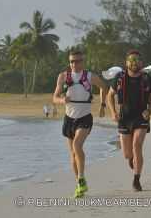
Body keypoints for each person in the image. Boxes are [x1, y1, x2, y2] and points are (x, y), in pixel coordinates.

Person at [52, 50, 108, 198]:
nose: (74, 64)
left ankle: (82, 177)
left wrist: (103, 105)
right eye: (71, 61)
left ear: (82, 62)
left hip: (85, 117)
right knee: (72, 153)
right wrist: (62, 100)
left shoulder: (89, 76)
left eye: (77, 61)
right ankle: (79, 184)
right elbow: (55, 98)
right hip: (69, 118)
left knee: (77, 146)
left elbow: (104, 87)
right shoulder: (63, 76)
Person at [107, 50, 151, 191]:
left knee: (137, 146)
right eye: (131, 60)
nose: (134, 62)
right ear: (126, 62)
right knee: (127, 154)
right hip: (124, 117)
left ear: (142, 62)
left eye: (137, 60)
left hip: (141, 116)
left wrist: (149, 110)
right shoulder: (119, 78)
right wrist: (113, 112)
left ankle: (136, 179)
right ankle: (131, 159)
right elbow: (110, 96)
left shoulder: (146, 78)